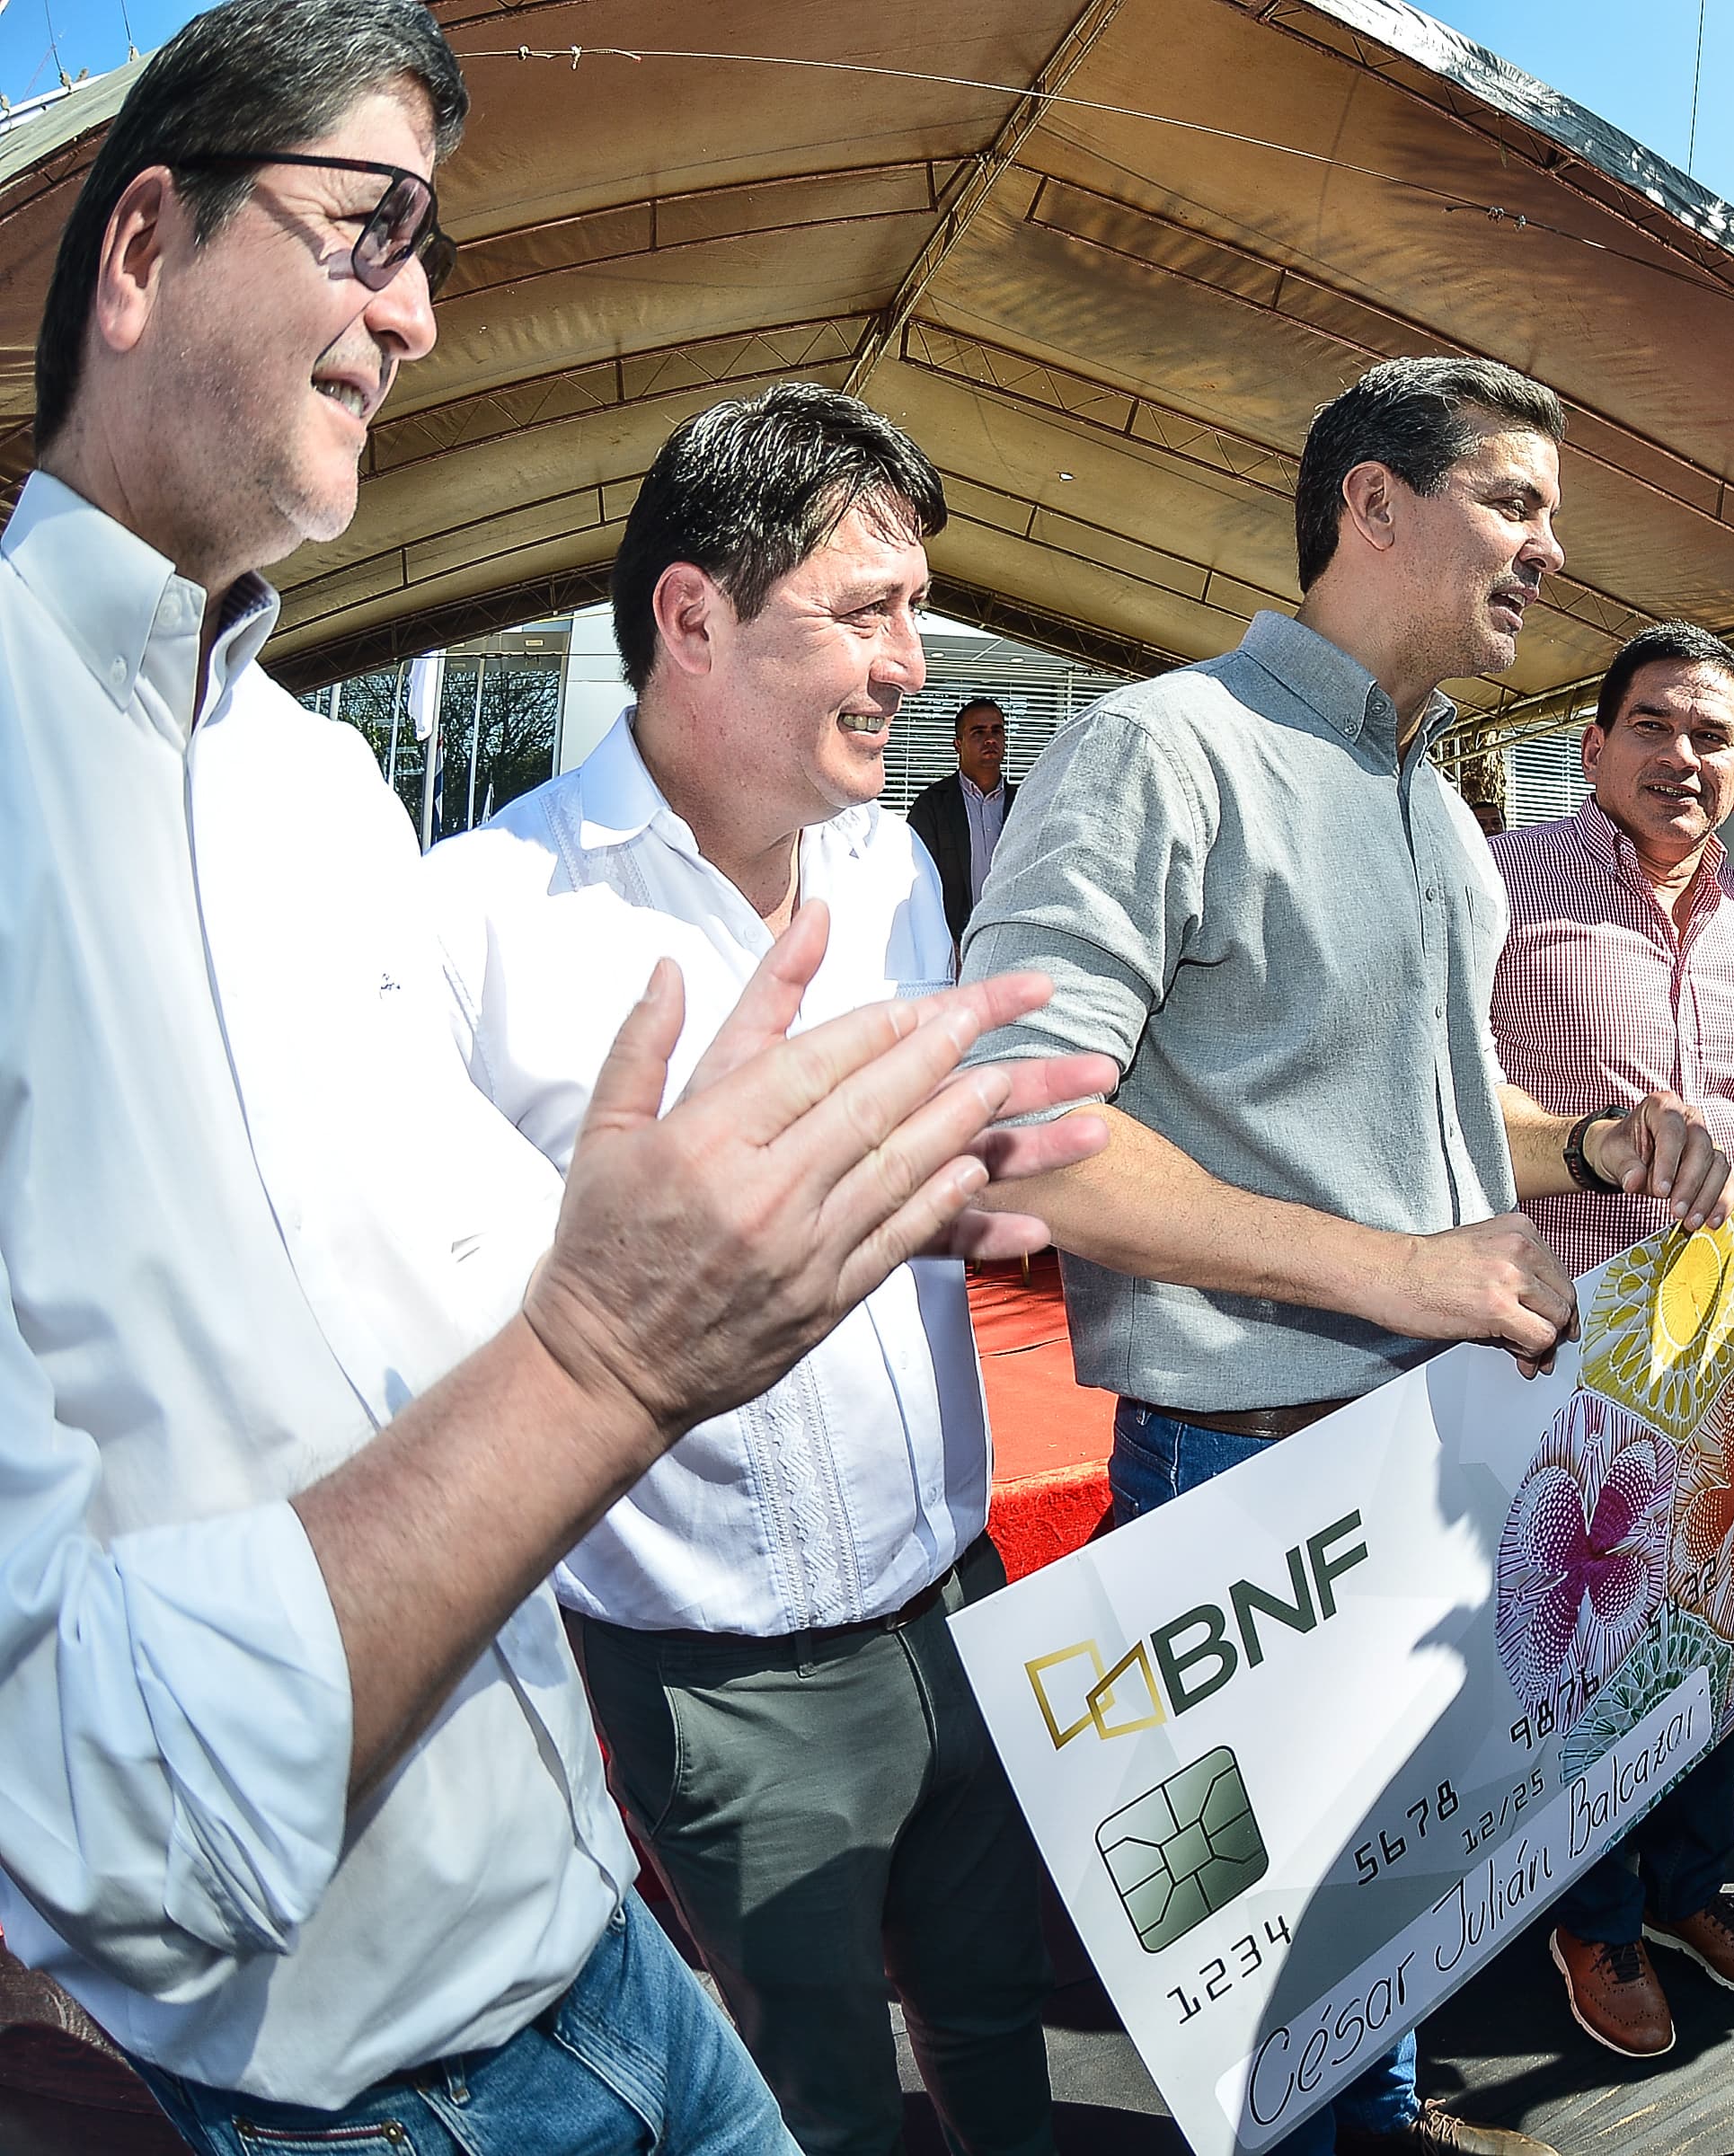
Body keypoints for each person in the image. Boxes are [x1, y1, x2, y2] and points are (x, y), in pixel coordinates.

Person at [0, 7, 1112, 2151]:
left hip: (593, 1937)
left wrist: (721, 1231)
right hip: (334, 2081)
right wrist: (618, 1345)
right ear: (144, 243)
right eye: (366, 230)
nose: (416, 313)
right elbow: (88, 1789)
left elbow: (458, 1315)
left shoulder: (320, 791)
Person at [959, 355, 1734, 2156]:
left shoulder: (1444, 812)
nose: (1551, 553)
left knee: (1372, 1955)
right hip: (1245, 1492)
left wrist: (1594, 1144)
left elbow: (1443, 1123)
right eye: (1517, 504)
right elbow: (1015, 1115)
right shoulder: (1167, 747)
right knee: (1262, 2017)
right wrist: (1396, 1274)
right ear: (1371, 504)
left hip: (1430, 1459)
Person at [424, 387, 1058, 2156]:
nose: (913, 666)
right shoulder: (479, 923)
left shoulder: (893, 882)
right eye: (869, 613)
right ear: (690, 616)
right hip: (723, 1683)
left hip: (958, 1599)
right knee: (818, 2103)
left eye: (917, 614)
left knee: (999, 2029)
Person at [1487, 623, 1734, 2059]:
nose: (1682, 759)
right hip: (1561, 1348)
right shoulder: (1504, 891)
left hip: (1728, 1354)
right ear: (1596, 745)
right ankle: (1596, 1920)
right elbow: (1444, 1103)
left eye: (1710, 738)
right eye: (1654, 728)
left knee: (1710, 1638)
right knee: (1583, 1651)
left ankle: (1693, 1889)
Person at [905, 694, 1014, 944]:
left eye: (997, 731)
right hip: (949, 943)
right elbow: (915, 880)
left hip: (1009, 940)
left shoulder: (1024, 805)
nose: (990, 739)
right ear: (958, 743)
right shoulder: (932, 806)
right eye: (978, 732)